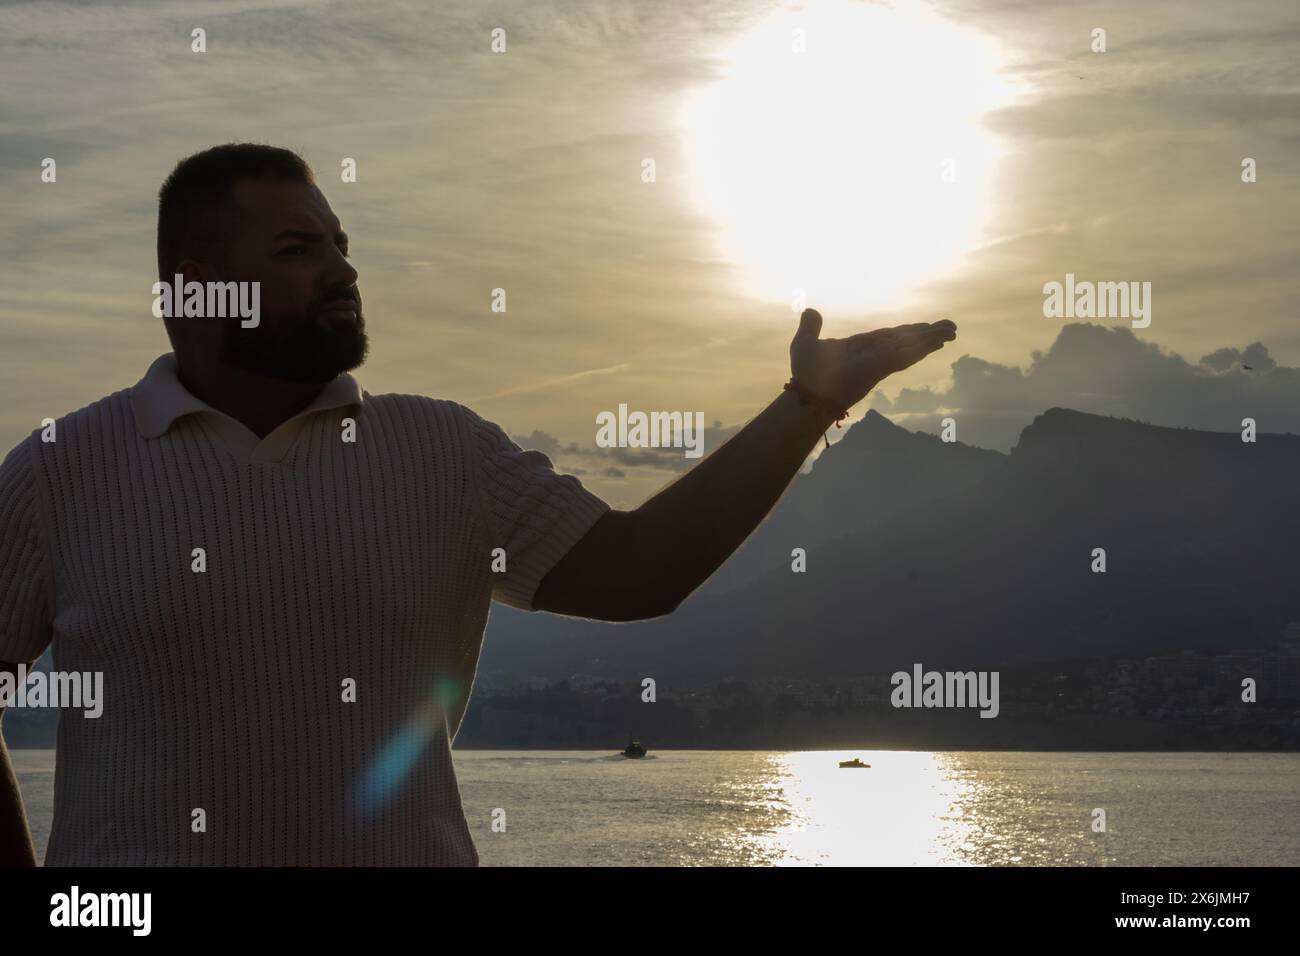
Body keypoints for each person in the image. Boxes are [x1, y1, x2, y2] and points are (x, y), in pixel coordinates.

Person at [0, 143, 956, 866]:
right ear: (195, 291)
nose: (343, 269)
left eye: (341, 243)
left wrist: (810, 405)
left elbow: (641, 572)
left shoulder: (442, 450)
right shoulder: (57, 471)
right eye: (299, 249)